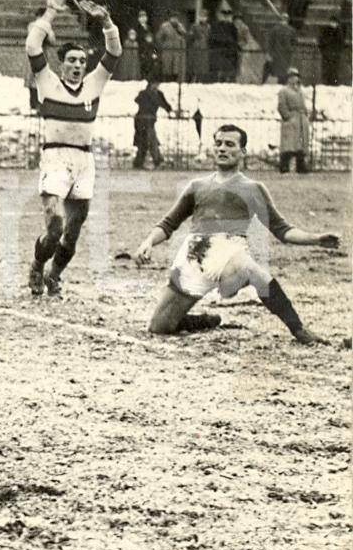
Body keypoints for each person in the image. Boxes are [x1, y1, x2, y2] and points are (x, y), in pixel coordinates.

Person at [134, 124, 338, 344]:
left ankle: (299, 329)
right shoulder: (196, 186)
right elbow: (168, 224)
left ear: (242, 152)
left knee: (253, 270)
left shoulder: (253, 188)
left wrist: (315, 239)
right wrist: (148, 242)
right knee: (159, 327)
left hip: (229, 253)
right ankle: (199, 321)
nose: (222, 148)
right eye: (219, 143)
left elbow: (283, 230)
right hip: (194, 255)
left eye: (230, 144)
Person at [24, 0, 122, 297]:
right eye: (72, 61)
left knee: (73, 231)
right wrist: (50, 13)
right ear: (62, 63)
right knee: (54, 226)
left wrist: (107, 22)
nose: (78, 65)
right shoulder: (48, 82)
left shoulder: (94, 84)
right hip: (55, 157)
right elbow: (32, 46)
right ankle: (37, 266)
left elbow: (114, 52)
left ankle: (55, 274)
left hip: (83, 161)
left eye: (81, 61)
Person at [132, 78, 172, 168]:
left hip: (150, 121)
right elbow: (137, 100)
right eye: (155, 84)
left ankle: (138, 162)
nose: (156, 86)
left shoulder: (158, 94)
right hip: (141, 120)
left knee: (145, 142)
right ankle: (158, 161)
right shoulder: (144, 94)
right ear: (150, 84)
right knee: (150, 140)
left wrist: (170, 110)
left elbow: (165, 104)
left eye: (157, 84)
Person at [277, 68, 310, 173]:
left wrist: (305, 115)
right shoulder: (284, 91)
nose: (295, 79)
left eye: (297, 76)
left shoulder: (300, 91)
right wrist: (287, 116)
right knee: (288, 145)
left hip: (301, 120)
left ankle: (301, 166)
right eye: (293, 76)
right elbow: (281, 105)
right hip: (291, 121)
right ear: (289, 78)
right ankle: (284, 165)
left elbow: (303, 105)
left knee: (300, 145)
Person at [208, 7, 239, 81]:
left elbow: (235, 39)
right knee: (218, 69)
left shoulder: (233, 27)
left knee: (228, 70)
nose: (226, 17)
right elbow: (213, 38)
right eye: (224, 15)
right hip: (219, 51)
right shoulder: (216, 26)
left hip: (229, 52)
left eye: (228, 16)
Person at [156, 12, 186, 82]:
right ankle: (166, 82)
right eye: (173, 17)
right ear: (170, 18)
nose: (174, 19)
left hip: (177, 51)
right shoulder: (164, 26)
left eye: (176, 18)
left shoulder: (180, 26)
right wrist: (163, 46)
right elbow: (158, 37)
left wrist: (181, 31)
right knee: (167, 68)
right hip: (167, 50)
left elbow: (184, 35)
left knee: (176, 69)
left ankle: (175, 81)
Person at [318, 17, 344, 86]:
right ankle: (326, 82)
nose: (333, 24)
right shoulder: (325, 31)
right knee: (326, 69)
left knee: (334, 70)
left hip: (335, 54)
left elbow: (341, 43)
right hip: (327, 54)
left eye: (335, 23)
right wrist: (323, 51)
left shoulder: (339, 32)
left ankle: (334, 83)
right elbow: (321, 41)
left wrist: (338, 52)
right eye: (332, 22)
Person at [187, 10, 211, 81]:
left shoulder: (208, 27)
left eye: (204, 16)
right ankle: (193, 79)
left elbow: (209, 37)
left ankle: (200, 80)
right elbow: (190, 37)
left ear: (207, 18)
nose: (203, 18)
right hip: (196, 46)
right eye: (201, 16)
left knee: (203, 65)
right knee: (195, 64)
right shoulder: (194, 26)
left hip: (204, 47)